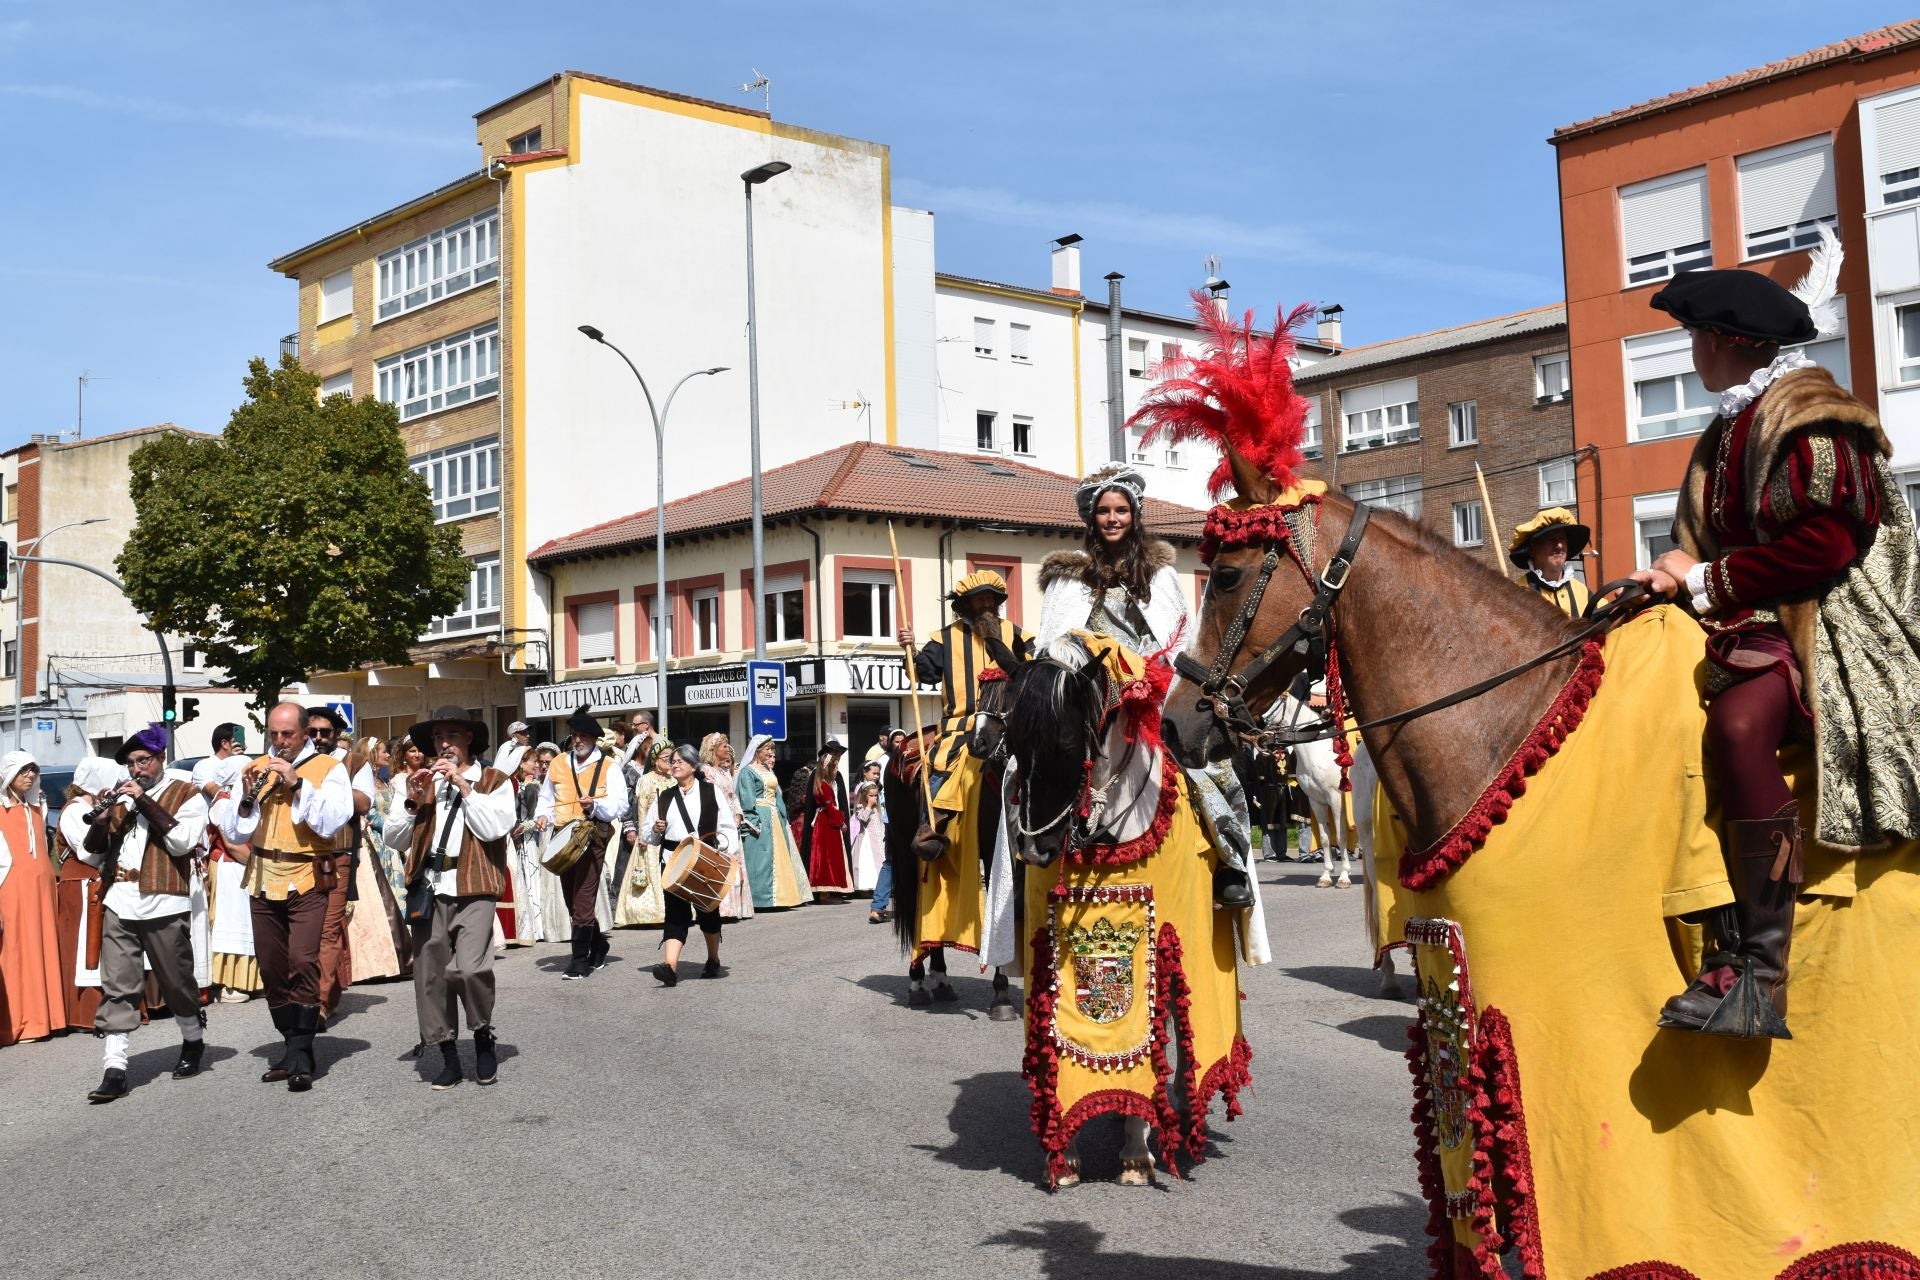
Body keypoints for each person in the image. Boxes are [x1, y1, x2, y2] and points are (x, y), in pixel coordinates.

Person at [1635, 258, 1920, 1038]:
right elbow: (1701, 542)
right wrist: (1664, 577)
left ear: (1727, 340)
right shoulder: (1727, 425)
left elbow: (1825, 546)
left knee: (1737, 728)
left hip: (1819, 615)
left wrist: (1707, 579)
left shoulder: (1811, 416)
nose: (1691, 351)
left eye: (1695, 336)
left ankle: (1762, 969)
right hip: (1737, 610)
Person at [1035, 461, 1256, 911]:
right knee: (1029, 763)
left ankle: (1229, 865)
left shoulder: (1160, 575)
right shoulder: (1069, 577)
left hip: (1149, 683)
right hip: (1089, 690)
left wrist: (1154, 676)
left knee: (1203, 761)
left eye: (1121, 510)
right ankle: (1031, 858)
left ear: (1134, 516)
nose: (1112, 519)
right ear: (1090, 518)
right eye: (1104, 511)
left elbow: (1181, 640)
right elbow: (1053, 644)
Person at [896, 571, 1034, 994]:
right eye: (977, 602)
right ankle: (931, 827)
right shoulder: (945, 638)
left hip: (1005, 727)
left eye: (991, 599)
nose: (985, 607)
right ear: (964, 606)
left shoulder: (1019, 638)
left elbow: (1032, 680)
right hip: (959, 730)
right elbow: (921, 674)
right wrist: (909, 648)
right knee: (942, 768)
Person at [218, 701, 354, 1092]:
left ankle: (301, 1050)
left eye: (288, 735)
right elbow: (237, 832)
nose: (280, 742)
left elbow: (330, 821)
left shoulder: (328, 769)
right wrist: (246, 796)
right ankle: (289, 1040)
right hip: (262, 875)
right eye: (274, 735)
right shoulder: (256, 766)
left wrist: (296, 784)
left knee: (303, 960)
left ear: (305, 732)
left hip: (308, 875)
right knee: (272, 966)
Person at [74, 724, 210, 1102]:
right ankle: (114, 1068)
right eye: (132, 764)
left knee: (176, 980)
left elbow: (182, 841)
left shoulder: (188, 794)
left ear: (160, 758)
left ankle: (193, 1039)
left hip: (164, 900)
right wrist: (101, 823)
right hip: (120, 899)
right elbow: (93, 852)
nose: (137, 770)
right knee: (119, 985)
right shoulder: (120, 797)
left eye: (143, 761)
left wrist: (145, 802)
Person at [383, 706, 516, 1089]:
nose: (444, 744)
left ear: (468, 739)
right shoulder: (419, 782)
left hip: (474, 887)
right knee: (431, 977)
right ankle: (448, 1055)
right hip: (429, 889)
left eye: (452, 736)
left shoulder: (495, 780)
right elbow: (395, 839)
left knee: (470, 969)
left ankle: (482, 1035)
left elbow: (493, 828)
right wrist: (411, 800)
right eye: (439, 737)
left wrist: (462, 784)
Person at [534, 705, 627, 980]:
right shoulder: (559, 763)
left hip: (592, 836)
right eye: (575, 734)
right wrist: (542, 815)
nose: (578, 740)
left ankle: (578, 960)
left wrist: (595, 805)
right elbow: (546, 797)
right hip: (562, 836)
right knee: (570, 898)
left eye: (583, 736)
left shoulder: (608, 767)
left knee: (584, 897)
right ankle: (598, 944)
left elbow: (620, 805)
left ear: (595, 739)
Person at [645, 743, 738, 986]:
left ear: (694, 766)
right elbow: (649, 834)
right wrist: (656, 829)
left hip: (704, 859)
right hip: (673, 861)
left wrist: (727, 854)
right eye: (672, 761)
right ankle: (670, 968)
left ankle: (713, 959)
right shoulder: (664, 796)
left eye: (680, 761)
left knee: (708, 912)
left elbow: (727, 826)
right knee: (675, 915)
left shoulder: (710, 791)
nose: (674, 765)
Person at [306, 705, 374, 1021]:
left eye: (325, 732)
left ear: (336, 735)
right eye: (313, 732)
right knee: (303, 932)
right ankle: (329, 994)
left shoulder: (354, 762)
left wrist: (329, 781)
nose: (318, 738)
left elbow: (363, 803)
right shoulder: (297, 759)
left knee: (327, 930)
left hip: (337, 855)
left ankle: (318, 1004)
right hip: (299, 854)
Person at [54, 757, 121, 1029]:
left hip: (96, 884)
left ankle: (112, 1008)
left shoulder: (94, 807)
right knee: (84, 948)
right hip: (80, 886)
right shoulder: (74, 811)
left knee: (103, 948)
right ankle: (87, 1011)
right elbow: (90, 852)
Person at [0, 750, 62, 1046]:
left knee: (42, 949)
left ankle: (44, 1018)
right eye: (23, 771)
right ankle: (20, 1021)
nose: (29, 776)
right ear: (9, 774)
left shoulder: (38, 807)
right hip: (12, 890)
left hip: (41, 891)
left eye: (33, 770)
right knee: (16, 952)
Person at [734, 736, 812, 910]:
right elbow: (747, 798)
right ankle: (761, 898)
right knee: (761, 858)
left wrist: (783, 817)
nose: (770, 752)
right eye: (766, 749)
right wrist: (753, 821)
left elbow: (777, 795)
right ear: (757, 750)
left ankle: (781, 897)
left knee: (778, 857)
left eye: (772, 749)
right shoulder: (748, 771)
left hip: (774, 816)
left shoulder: (768, 770)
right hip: (760, 815)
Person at [614, 740, 676, 927]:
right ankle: (653, 914)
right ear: (656, 761)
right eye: (667, 759)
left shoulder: (674, 780)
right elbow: (641, 809)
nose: (671, 762)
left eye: (672, 759)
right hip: (652, 835)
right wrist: (643, 835)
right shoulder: (646, 780)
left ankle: (674, 912)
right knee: (651, 874)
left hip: (671, 834)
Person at [697, 733, 755, 922]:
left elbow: (733, 796)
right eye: (723, 745)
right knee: (721, 862)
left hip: (732, 822)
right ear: (713, 749)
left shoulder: (724, 771)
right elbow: (709, 798)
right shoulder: (707, 771)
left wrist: (738, 813)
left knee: (734, 861)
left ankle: (736, 908)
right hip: (719, 822)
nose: (727, 748)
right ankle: (721, 908)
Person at [1509, 508, 1592, 617]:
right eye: (1551, 539)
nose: (1559, 545)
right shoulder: (1516, 595)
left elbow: (1610, 629)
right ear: (1533, 550)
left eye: (1562, 539)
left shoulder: (1583, 593)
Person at [806, 744, 854, 901]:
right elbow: (828, 805)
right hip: (827, 822)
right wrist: (840, 820)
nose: (838, 762)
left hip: (830, 821)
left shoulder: (835, 778)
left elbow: (837, 801)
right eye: (835, 757)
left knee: (832, 857)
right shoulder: (819, 779)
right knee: (827, 857)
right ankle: (826, 891)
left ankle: (834, 888)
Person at [850, 778, 888, 917]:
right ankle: (865, 888)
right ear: (864, 796)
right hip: (866, 841)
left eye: (875, 795)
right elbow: (862, 819)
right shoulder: (862, 807)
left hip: (878, 840)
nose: (874, 798)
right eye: (871, 795)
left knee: (880, 862)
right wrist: (868, 807)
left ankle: (877, 887)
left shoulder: (878, 810)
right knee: (869, 863)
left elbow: (880, 824)